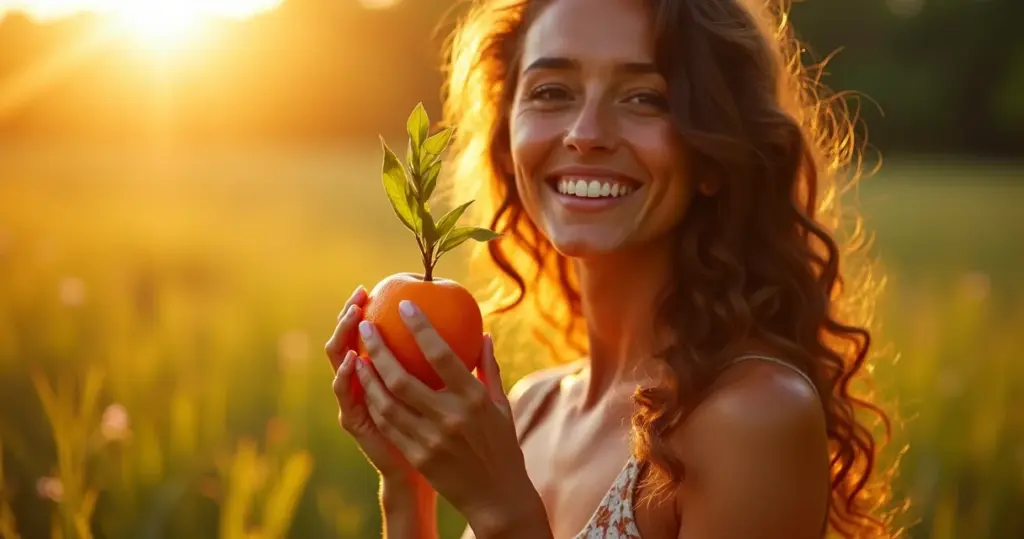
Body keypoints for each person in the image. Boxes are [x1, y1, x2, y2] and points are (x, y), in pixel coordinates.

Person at [325, 0, 899, 537]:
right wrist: (405, 485)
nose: (586, 134)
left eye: (645, 98)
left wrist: (505, 514)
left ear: (715, 152)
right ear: (507, 138)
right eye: (551, 91)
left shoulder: (752, 418)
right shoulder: (528, 407)